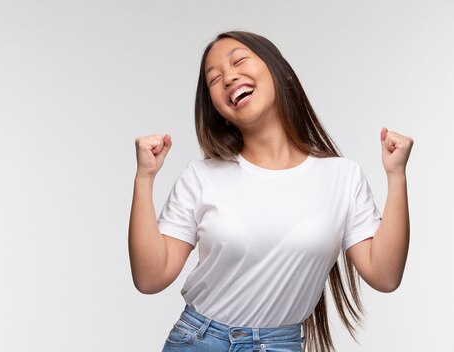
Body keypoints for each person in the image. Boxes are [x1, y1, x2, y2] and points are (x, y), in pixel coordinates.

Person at [128, 31, 413, 352]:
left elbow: (385, 276)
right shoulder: (201, 177)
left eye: (238, 61)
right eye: (214, 79)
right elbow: (151, 279)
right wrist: (144, 178)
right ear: (218, 109)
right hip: (198, 340)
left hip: (280, 344)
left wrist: (396, 176)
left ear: (280, 71)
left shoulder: (343, 177)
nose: (228, 77)